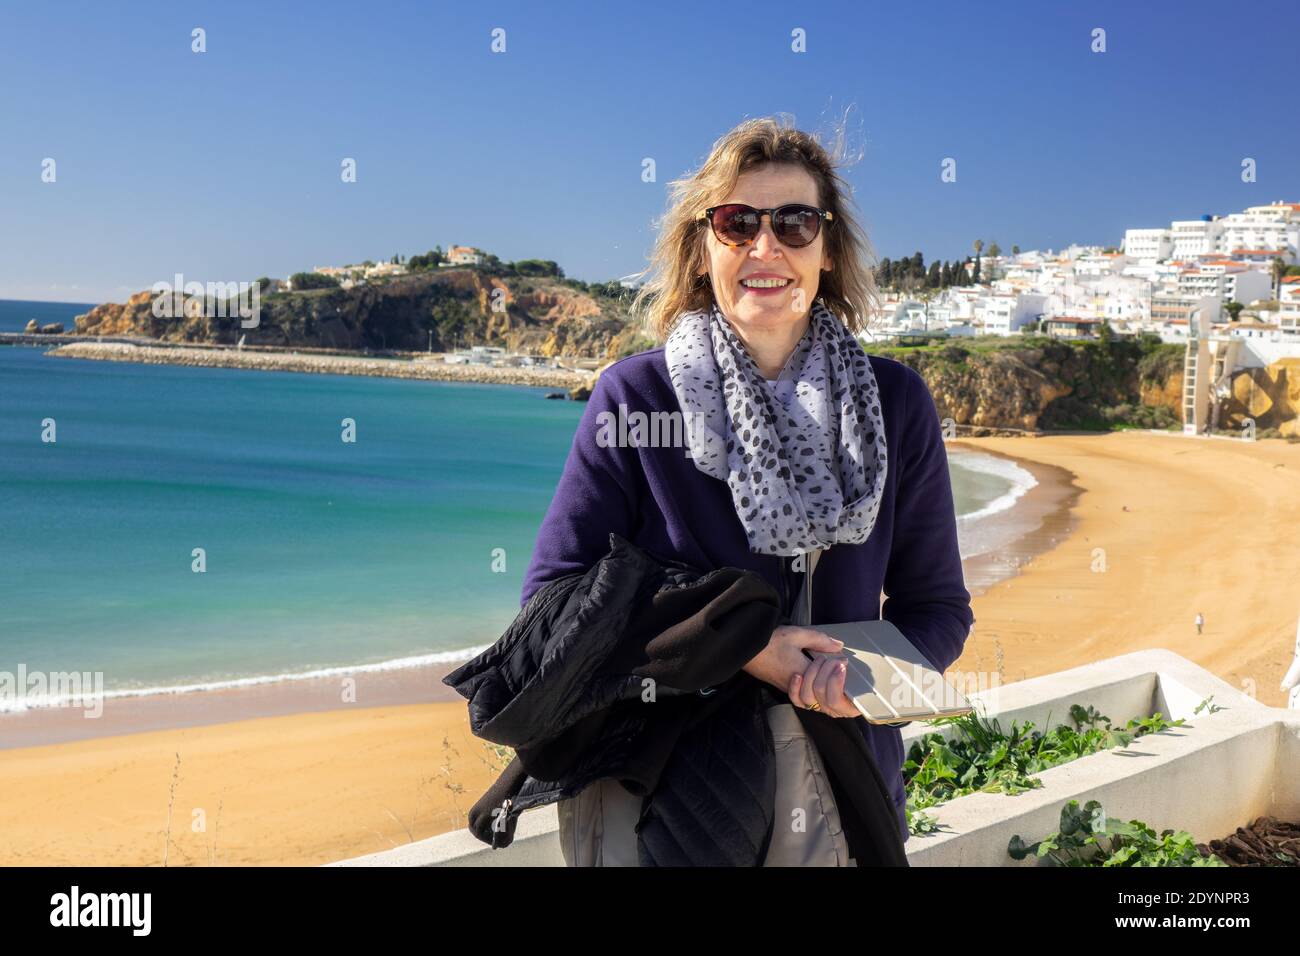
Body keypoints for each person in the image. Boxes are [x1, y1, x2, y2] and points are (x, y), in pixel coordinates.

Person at [520, 115, 974, 865]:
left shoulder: (896, 404)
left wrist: (853, 679)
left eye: (795, 224)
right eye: (737, 224)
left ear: (827, 251)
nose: (767, 249)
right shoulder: (637, 399)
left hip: (840, 788)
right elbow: (553, 600)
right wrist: (745, 646)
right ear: (704, 250)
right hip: (666, 792)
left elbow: (937, 609)